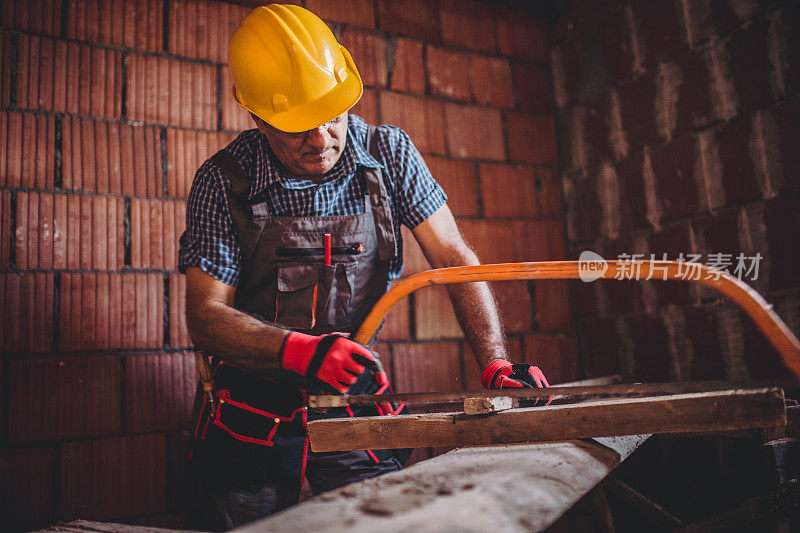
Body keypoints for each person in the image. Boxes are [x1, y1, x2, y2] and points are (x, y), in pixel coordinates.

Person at [178, 4, 550, 530]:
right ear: (258, 118)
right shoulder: (223, 181)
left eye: (332, 116)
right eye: (298, 128)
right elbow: (206, 315)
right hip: (250, 406)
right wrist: (301, 352)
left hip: (348, 389)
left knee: (382, 520)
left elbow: (453, 257)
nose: (323, 140)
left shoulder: (389, 153)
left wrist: (495, 365)